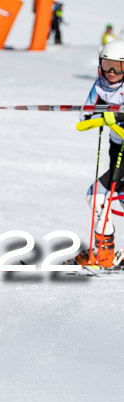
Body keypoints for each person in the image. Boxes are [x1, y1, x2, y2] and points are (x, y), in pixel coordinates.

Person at [76, 40, 124, 268]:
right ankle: (105, 253)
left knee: (96, 196)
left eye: (118, 66)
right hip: (116, 151)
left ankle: (105, 255)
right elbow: (83, 119)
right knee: (103, 197)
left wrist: (116, 120)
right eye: (107, 65)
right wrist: (104, 118)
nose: (112, 72)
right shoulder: (99, 86)